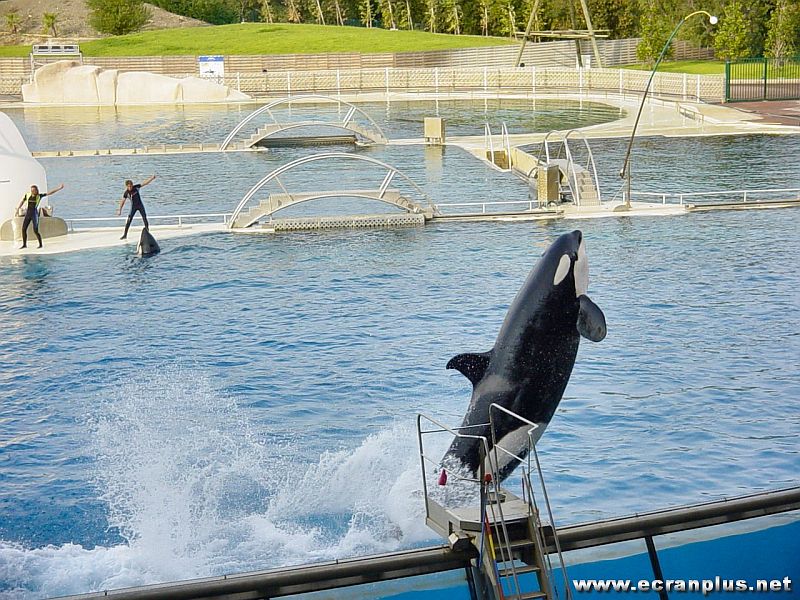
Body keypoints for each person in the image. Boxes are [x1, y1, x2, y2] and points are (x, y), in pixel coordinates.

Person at [15, 183, 64, 249]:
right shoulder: (27, 195)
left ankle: (40, 244)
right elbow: (22, 201)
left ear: (36, 190)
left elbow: (50, 193)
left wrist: (59, 188)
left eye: (33, 190)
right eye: (31, 190)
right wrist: (18, 208)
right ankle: (24, 245)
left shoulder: (39, 196)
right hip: (28, 214)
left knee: (35, 230)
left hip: (34, 214)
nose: (32, 191)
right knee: (23, 229)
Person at [117, 175, 156, 240]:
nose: (130, 187)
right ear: (126, 186)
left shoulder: (136, 187)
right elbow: (122, 201)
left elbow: (145, 183)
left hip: (140, 205)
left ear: (132, 185)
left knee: (144, 218)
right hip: (133, 207)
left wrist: (151, 178)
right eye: (128, 186)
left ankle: (148, 232)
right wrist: (119, 210)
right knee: (129, 220)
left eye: (131, 186)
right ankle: (125, 235)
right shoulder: (126, 193)